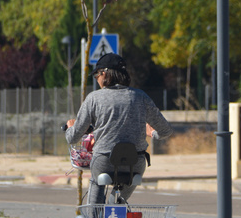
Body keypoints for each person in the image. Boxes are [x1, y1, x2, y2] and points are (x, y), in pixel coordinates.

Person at [65, 52, 173, 206]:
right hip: (135, 163)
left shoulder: (94, 98)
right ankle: (116, 207)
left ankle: (94, 217)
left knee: (96, 181)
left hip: (104, 161)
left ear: (104, 73)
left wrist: (70, 128)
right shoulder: (140, 97)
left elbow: (73, 138)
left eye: (96, 75)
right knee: (121, 197)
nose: (97, 79)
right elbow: (166, 130)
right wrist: (152, 133)